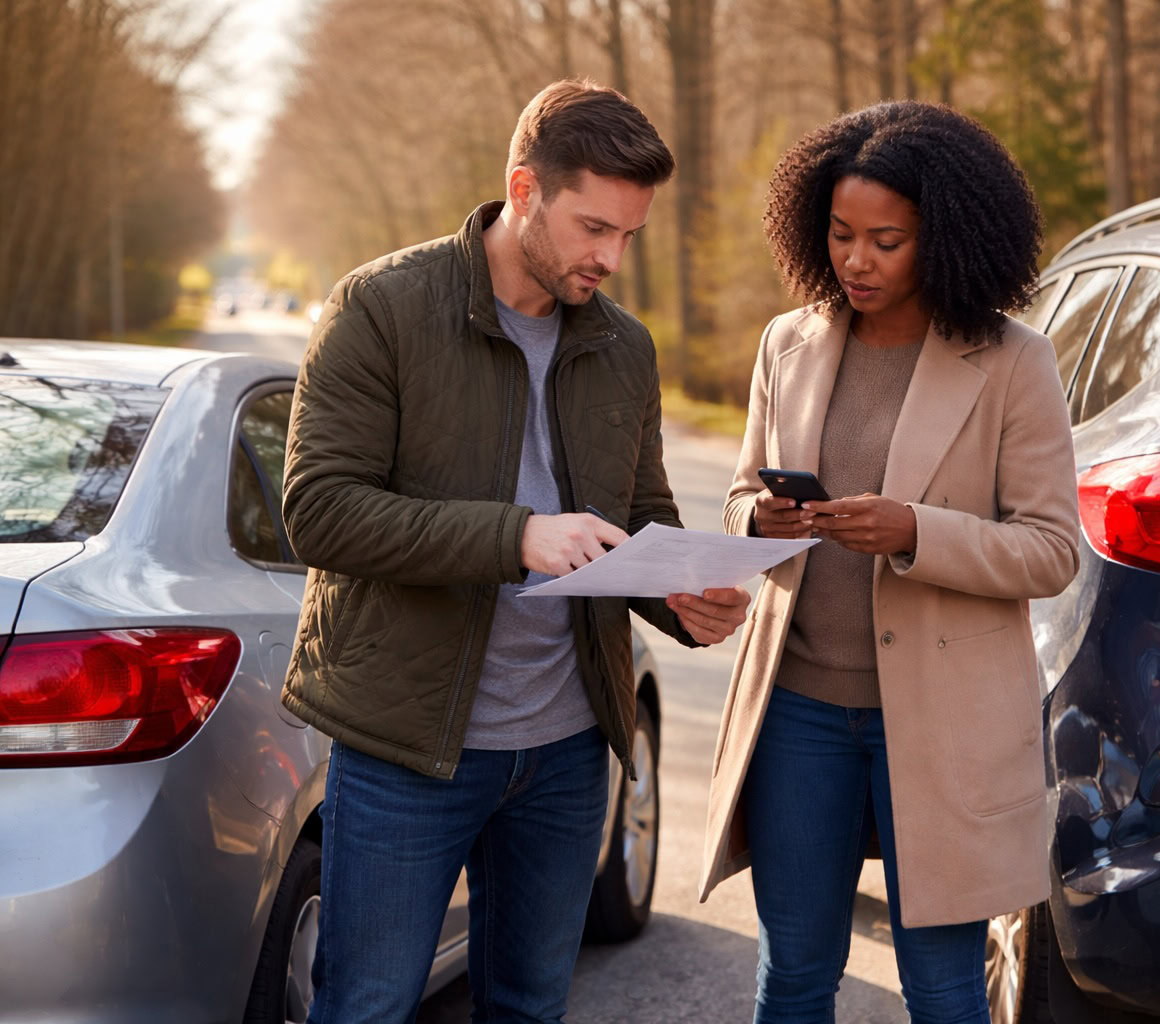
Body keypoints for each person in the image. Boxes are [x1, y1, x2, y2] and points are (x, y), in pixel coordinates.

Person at [280, 79, 749, 1023]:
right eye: (592, 228)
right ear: (523, 188)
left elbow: (640, 513)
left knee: (531, 1008)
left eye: (629, 235)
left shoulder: (624, 348)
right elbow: (320, 511)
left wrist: (685, 599)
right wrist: (518, 535)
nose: (611, 257)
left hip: (570, 748)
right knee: (366, 1007)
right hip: (407, 748)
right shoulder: (380, 308)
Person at [699, 101, 1081, 1023]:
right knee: (792, 975)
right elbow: (739, 496)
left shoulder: (1014, 362)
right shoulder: (786, 343)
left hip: (944, 726)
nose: (856, 261)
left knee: (943, 988)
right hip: (797, 712)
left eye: (886, 240)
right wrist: (762, 516)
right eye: (839, 235)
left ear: (941, 239)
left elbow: (1053, 549)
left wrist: (914, 531)